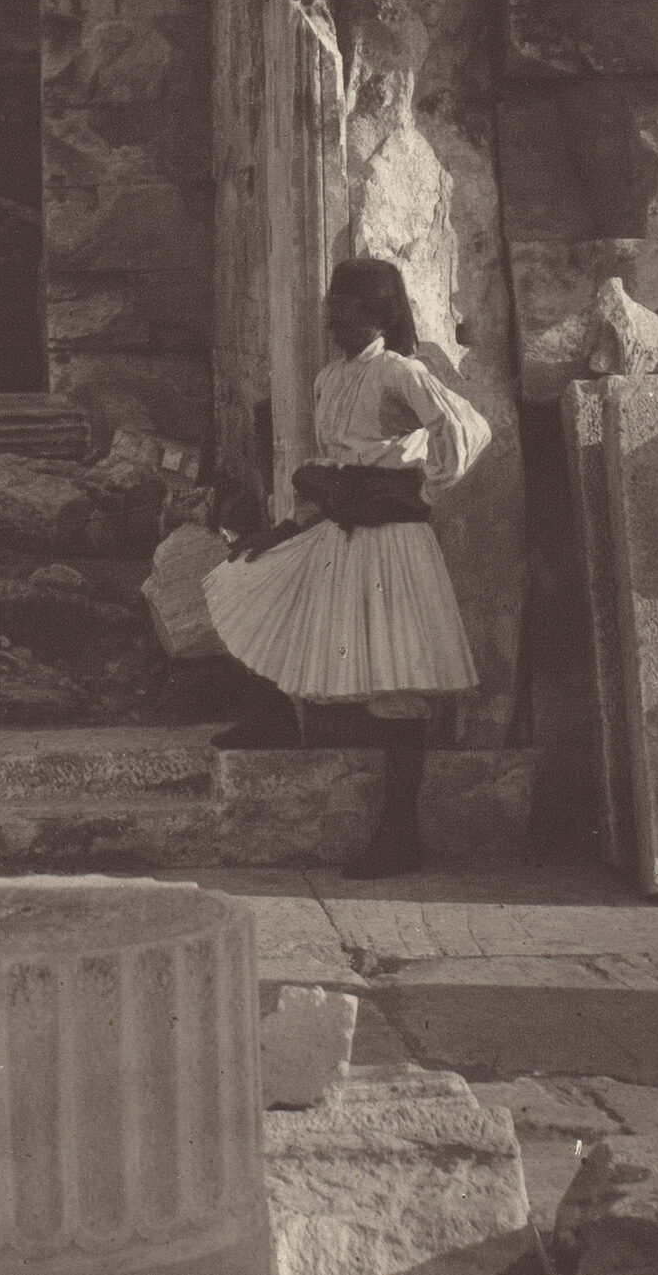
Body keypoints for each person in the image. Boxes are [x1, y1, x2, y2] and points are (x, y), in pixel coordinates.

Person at [202, 256, 492, 879]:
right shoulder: (329, 378)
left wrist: (420, 483)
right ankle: (274, 720)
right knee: (245, 576)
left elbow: (468, 428)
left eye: (348, 304)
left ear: (379, 312)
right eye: (333, 302)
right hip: (342, 530)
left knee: (395, 676)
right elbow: (329, 470)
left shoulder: (400, 373)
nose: (334, 314)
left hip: (392, 541)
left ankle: (399, 833)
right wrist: (281, 529)